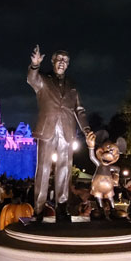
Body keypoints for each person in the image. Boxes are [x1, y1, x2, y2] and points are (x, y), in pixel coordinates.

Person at [28, 45, 94, 222]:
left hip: (66, 131)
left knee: (64, 169)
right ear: (53, 61)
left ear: (68, 64)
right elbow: (32, 79)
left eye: (65, 61)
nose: (62, 63)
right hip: (47, 129)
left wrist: (86, 130)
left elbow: (79, 110)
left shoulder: (72, 85)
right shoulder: (43, 80)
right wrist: (34, 66)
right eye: (59, 60)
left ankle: (62, 208)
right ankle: (39, 209)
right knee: (43, 169)